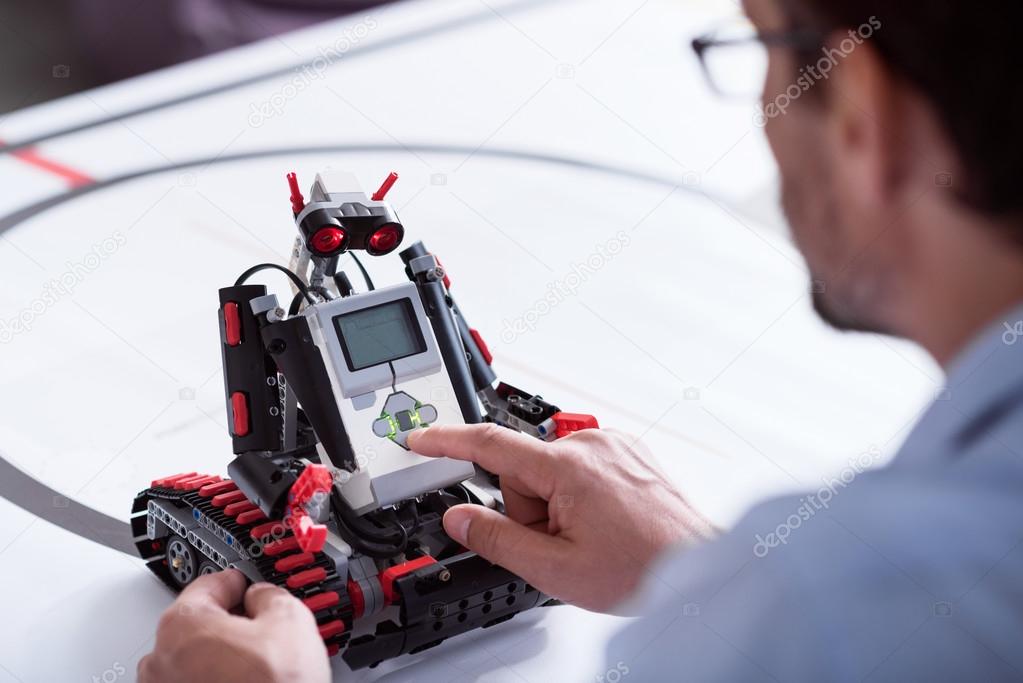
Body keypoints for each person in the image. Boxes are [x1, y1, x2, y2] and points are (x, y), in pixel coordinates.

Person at [138, 0, 1023, 680]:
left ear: (860, 110)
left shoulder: (826, 611)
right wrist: (701, 571)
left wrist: (741, 602)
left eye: (760, 43)